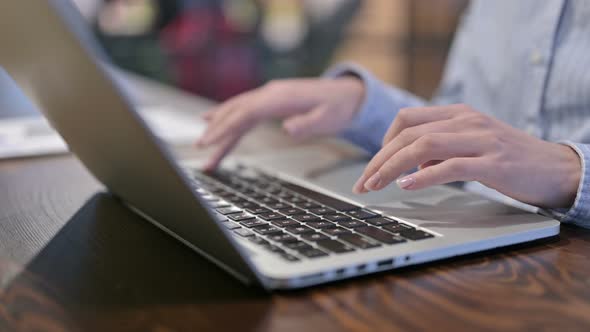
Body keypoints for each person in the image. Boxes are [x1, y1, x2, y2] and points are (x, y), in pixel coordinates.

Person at [196, 0, 590, 228]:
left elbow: (509, 151)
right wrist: (360, 103)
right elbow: (461, 125)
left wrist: (570, 171)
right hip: (467, 229)